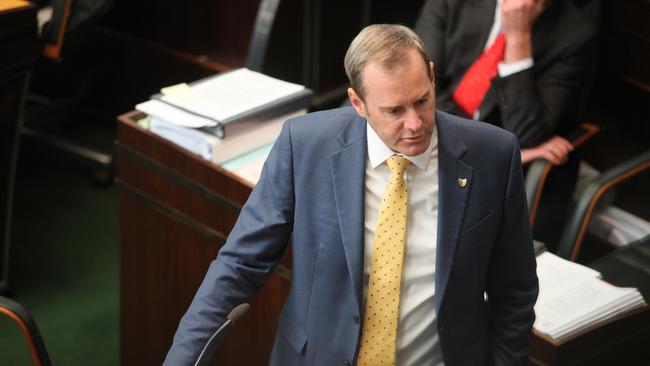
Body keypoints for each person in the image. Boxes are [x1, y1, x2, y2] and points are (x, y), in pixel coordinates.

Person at [164, 24, 538, 366]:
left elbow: (514, 294)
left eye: (422, 101)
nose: (414, 123)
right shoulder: (304, 146)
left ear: (432, 77)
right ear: (357, 103)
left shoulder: (494, 155)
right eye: (394, 110)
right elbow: (239, 265)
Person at [415, 0, 598, 248]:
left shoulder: (574, 33)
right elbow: (418, 89)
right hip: (422, 142)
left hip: (486, 184)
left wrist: (518, 37)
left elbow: (525, 134)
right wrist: (499, 151)